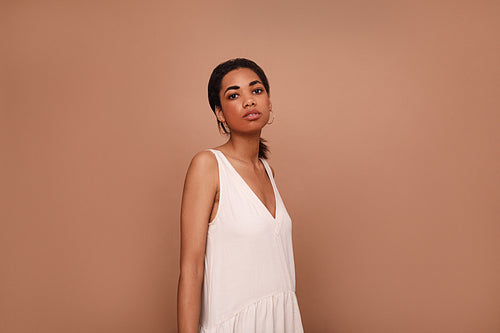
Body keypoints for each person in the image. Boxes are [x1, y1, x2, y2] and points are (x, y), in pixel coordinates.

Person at [177, 58, 304, 332]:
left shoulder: (267, 172)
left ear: (269, 102)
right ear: (220, 112)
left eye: (256, 91)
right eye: (234, 95)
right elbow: (191, 269)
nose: (248, 101)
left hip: (280, 322)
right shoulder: (208, 165)